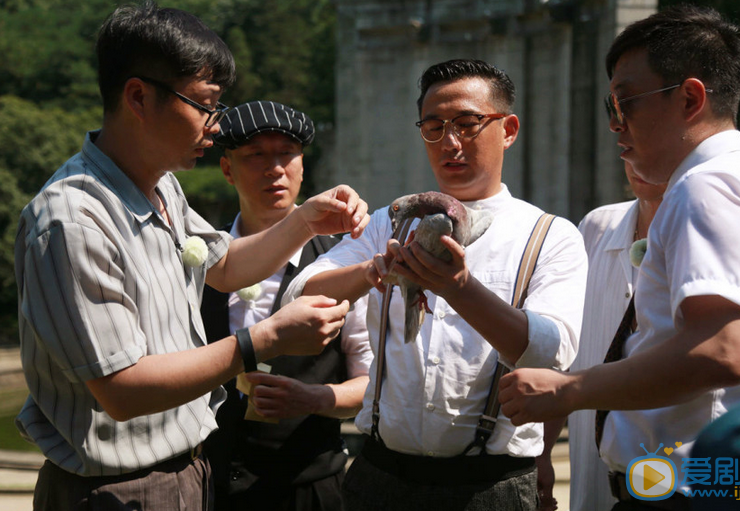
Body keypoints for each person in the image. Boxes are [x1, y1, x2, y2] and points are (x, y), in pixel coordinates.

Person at [14, 0, 369, 511]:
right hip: (115, 493)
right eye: (206, 105)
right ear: (138, 97)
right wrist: (264, 340)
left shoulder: (161, 188)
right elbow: (123, 390)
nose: (217, 125)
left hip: (186, 473)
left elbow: (224, 268)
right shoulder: (71, 223)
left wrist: (306, 220)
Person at [498, 5, 740, 510]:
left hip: (691, 489)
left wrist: (570, 389)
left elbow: (721, 351)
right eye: (610, 108)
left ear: (690, 99)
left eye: (626, 103)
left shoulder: (707, 187)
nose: (615, 125)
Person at [282, 59, 588, 510]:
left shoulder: (549, 234)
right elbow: (302, 293)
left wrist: (459, 288)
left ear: (508, 129)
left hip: (491, 484)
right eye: (433, 126)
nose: (450, 142)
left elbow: (550, 352)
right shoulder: (389, 221)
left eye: (468, 124)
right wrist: (372, 272)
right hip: (380, 474)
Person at [200, 100, 372, 511]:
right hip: (208, 483)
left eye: (286, 154)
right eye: (255, 155)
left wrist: (311, 398)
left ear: (301, 165)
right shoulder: (201, 258)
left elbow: (373, 382)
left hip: (308, 487)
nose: (273, 167)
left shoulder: (342, 261)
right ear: (228, 169)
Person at [536, 162, 666, 511]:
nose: (639, 155)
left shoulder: (715, 231)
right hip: (591, 480)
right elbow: (565, 356)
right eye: (626, 140)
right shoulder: (596, 228)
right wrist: (542, 453)